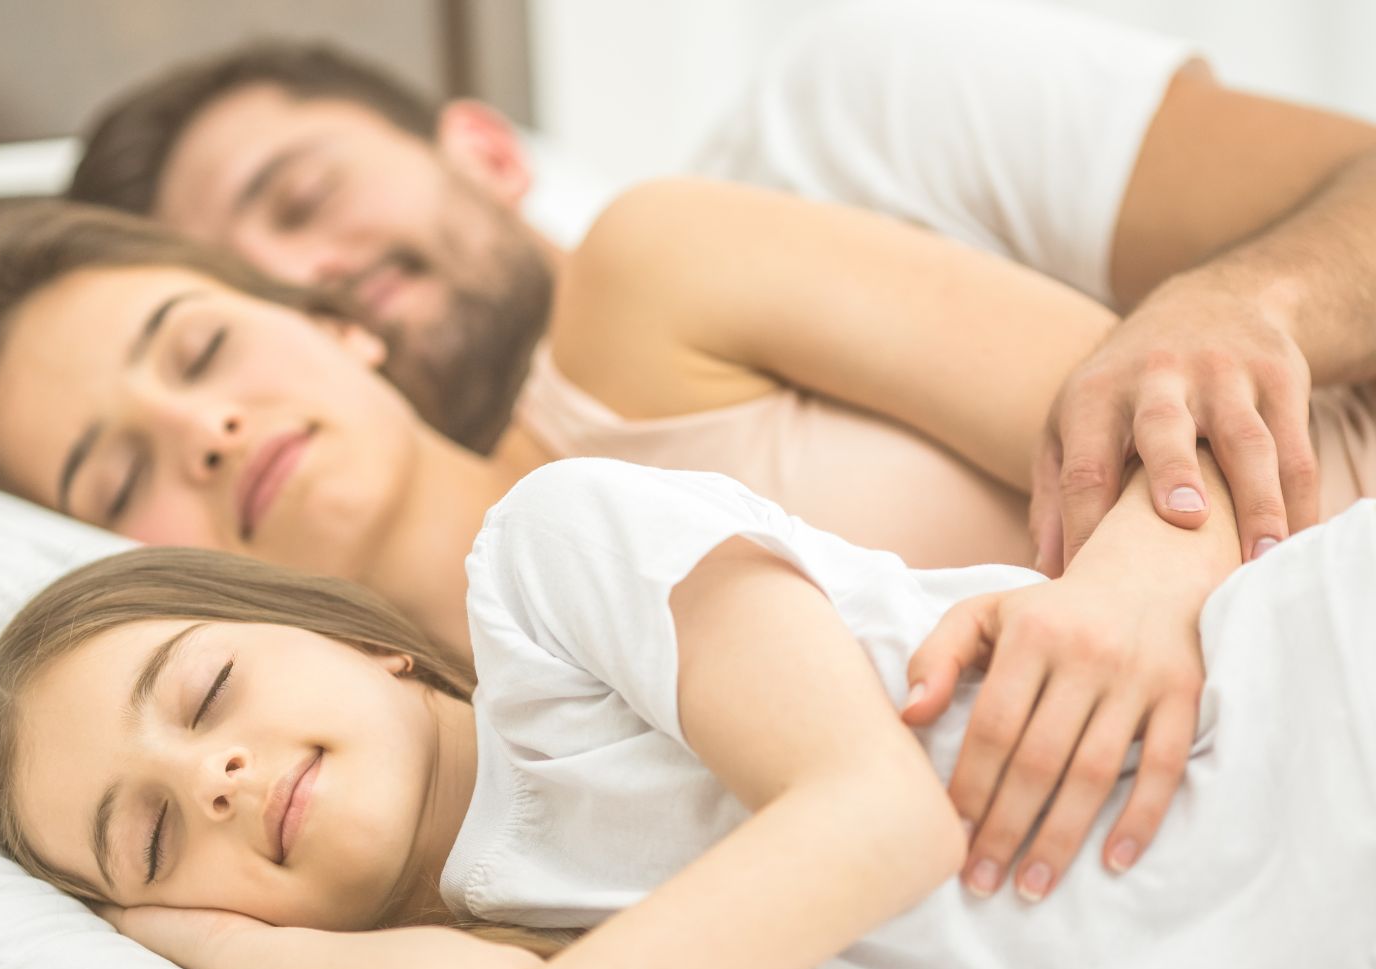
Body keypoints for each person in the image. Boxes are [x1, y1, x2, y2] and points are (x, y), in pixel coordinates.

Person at [0, 178, 1376, 903]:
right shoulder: (409, 808)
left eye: (195, 354)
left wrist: (1132, 585)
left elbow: (1227, 403)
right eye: (115, 471)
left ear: (333, 324)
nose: (201, 434)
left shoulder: (655, 290)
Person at [0, 452, 1376, 969]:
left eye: (205, 692)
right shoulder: (557, 963)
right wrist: (179, 931)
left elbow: (878, 822)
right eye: (148, 833)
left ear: (359, 641)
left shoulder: (551, 561)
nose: (212, 781)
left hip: (1322, 713)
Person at [67, 0, 1376, 579]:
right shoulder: (503, 607)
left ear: (486, 150)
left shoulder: (851, 112)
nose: (311, 276)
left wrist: (1249, 300)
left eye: (301, 201)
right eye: (251, 293)